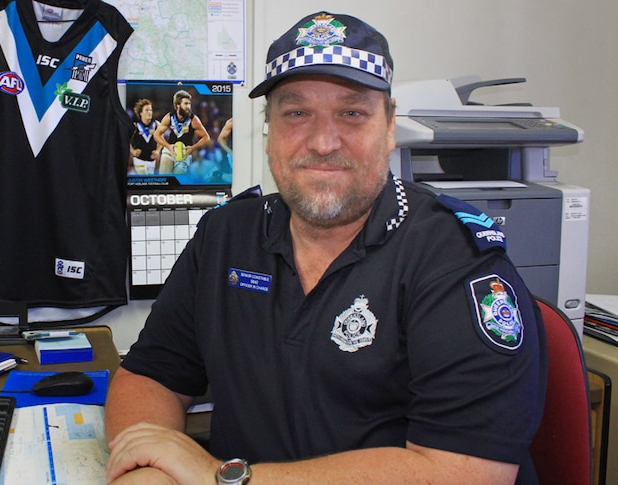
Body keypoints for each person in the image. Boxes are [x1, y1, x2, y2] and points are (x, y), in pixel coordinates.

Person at [105, 11, 546, 485]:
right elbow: (150, 376)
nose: (322, 142)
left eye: (352, 113)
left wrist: (224, 476)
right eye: (296, 113)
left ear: (390, 124)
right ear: (268, 128)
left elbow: (464, 473)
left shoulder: (455, 261)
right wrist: (147, 466)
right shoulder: (226, 235)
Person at [155, 89, 210, 174]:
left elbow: (206, 138)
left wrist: (192, 148)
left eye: (189, 104)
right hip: (170, 150)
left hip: (185, 154)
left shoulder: (194, 120)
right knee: (164, 177)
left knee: (177, 181)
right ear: (178, 105)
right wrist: (168, 146)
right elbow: (156, 135)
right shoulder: (169, 117)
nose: (188, 107)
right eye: (186, 104)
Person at [129, 98, 161, 175]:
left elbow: (162, 141)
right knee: (144, 176)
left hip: (152, 161)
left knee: (149, 182)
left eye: (150, 110)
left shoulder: (157, 125)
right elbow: (126, 140)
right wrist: (133, 151)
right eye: (146, 110)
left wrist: (158, 151)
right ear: (141, 113)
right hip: (139, 160)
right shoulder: (135, 127)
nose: (149, 112)